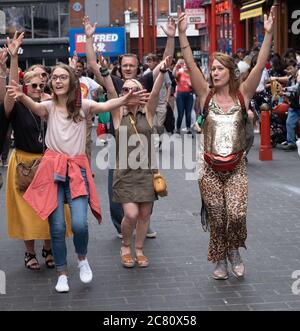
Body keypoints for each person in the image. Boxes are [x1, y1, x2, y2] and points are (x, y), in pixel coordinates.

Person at [7, 62, 148, 292]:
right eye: (55, 78)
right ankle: (62, 272)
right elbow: (32, 105)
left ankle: (82, 259)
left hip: (76, 170)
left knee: (80, 223)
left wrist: (123, 100)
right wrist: (20, 95)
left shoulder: (83, 106)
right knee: (58, 227)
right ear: (51, 83)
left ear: (72, 81)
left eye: (63, 77)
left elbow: (105, 105)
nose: (58, 81)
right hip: (52, 170)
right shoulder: (49, 106)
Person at [177, 5, 275, 279]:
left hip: (236, 168)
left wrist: (268, 34)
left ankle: (234, 250)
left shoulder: (243, 94)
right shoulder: (203, 94)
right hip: (208, 168)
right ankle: (219, 259)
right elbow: (190, 62)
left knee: (237, 213)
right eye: (213, 69)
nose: (214, 72)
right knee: (218, 217)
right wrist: (182, 34)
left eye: (220, 68)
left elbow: (259, 64)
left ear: (231, 72)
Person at [83, 15, 176, 238]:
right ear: (120, 67)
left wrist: (171, 37)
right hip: (120, 139)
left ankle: (144, 221)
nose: (127, 68)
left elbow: (166, 63)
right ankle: (122, 225)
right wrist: (89, 38)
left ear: (137, 68)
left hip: (143, 139)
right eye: (124, 65)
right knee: (116, 185)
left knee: (148, 185)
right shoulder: (113, 83)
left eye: (131, 65)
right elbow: (93, 65)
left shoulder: (145, 81)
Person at [4, 32, 61, 271]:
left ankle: (48, 249)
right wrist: (13, 58)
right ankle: (30, 253)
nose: (37, 88)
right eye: (33, 84)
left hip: (48, 162)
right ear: (25, 85)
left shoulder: (50, 105)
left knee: (49, 209)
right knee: (28, 213)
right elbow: (10, 89)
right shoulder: (16, 104)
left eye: (41, 83)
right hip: (23, 164)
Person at [112, 56, 172, 268]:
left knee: (145, 214)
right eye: (125, 90)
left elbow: (155, 93)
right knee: (131, 214)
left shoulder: (147, 113)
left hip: (147, 172)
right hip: (125, 174)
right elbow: (110, 89)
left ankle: (139, 250)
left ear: (141, 93)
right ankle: (126, 246)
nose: (129, 93)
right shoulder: (118, 113)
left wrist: (162, 71)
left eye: (134, 89)